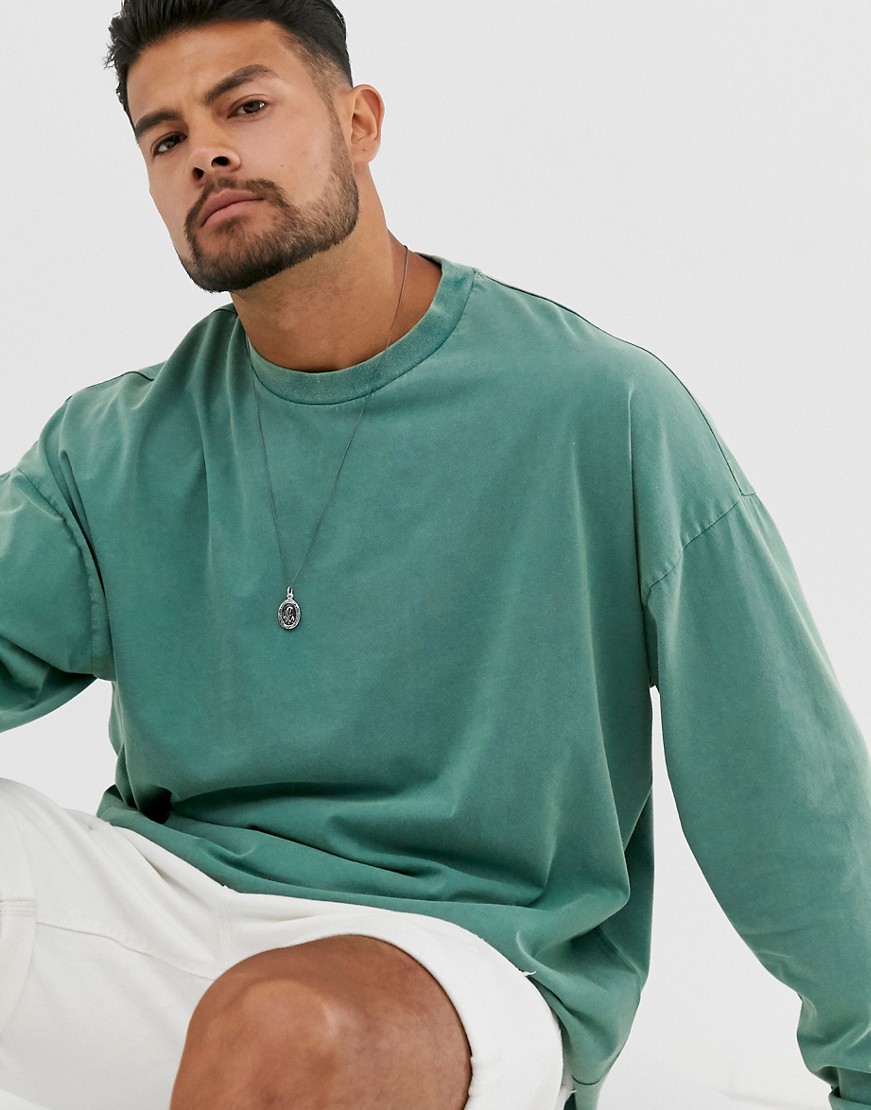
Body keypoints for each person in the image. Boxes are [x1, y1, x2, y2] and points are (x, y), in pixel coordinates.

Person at [0, 1, 869, 1108]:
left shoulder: (597, 411)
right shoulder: (111, 447)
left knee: (283, 1025)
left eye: (246, 106)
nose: (205, 152)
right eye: (164, 137)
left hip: (458, 959)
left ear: (358, 122)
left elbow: (780, 783)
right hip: (165, 913)